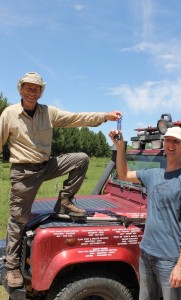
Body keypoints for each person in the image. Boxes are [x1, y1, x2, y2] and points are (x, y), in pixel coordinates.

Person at [0, 71, 121, 288]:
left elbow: (77, 118)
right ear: (20, 89)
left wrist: (104, 116)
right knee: (18, 219)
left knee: (81, 159)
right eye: (28, 87)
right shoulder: (9, 114)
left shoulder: (49, 112)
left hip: (46, 165)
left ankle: (64, 201)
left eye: (36, 88)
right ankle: (11, 267)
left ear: (41, 92)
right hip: (23, 172)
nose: (32, 91)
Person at [109, 126, 181, 300]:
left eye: (176, 141)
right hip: (147, 253)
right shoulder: (153, 174)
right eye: (168, 140)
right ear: (164, 143)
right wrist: (120, 148)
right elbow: (124, 174)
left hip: (169, 258)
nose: (171, 145)